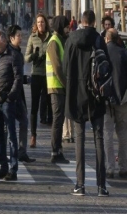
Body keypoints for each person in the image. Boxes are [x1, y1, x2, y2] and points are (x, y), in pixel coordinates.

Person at [63, 10, 109, 197]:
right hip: (96, 95)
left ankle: (80, 185)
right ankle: (101, 186)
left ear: (81, 22)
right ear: (94, 21)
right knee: (99, 139)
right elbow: (106, 67)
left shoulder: (71, 40)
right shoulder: (98, 39)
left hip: (76, 95)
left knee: (79, 139)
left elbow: (65, 67)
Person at [0, 30, 23, 181]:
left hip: (7, 102)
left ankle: (13, 168)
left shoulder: (13, 55)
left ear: (4, 41)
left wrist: (11, 97)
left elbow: (18, 78)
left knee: (11, 135)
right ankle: (3, 166)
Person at [7, 25, 36, 163]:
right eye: (18, 35)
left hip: (17, 94)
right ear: (11, 38)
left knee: (22, 122)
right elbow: (11, 76)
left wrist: (25, 79)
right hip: (13, 95)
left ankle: (20, 151)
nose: (21, 37)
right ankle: (17, 152)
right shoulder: (12, 53)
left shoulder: (17, 52)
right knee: (14, 124)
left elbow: (17, 75)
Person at [24, 13, 52, 148]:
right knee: (34, 106)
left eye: (42, 22)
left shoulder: (51, 37)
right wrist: (34, 56)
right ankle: (33, 136)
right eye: (38, 22)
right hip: (36, 74)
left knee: (49, 104)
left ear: (46, 23)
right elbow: (26, 58)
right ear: (36, 24)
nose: (40, 24)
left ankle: (54, 137)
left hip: (48, 75)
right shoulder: (32, 37)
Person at [46, 16, 71, 164]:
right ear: (61, 26)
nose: (68, 29)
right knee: (57, 120)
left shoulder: (61, 40)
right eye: (66, 26)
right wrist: (67, 85)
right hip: (56, 86)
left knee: (60, 119)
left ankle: (58, 149)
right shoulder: (54, 42)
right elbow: (58, 68)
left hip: (59, 86)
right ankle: (55, 151)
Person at [104, 28, 127, 179]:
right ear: (118, 39)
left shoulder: (102, 53)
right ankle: (124, 167)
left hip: (106, 100)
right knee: (123, 134)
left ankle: (110, 167)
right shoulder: (124, 53)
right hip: (123, 99)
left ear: (107, 39)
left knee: (108, 134)